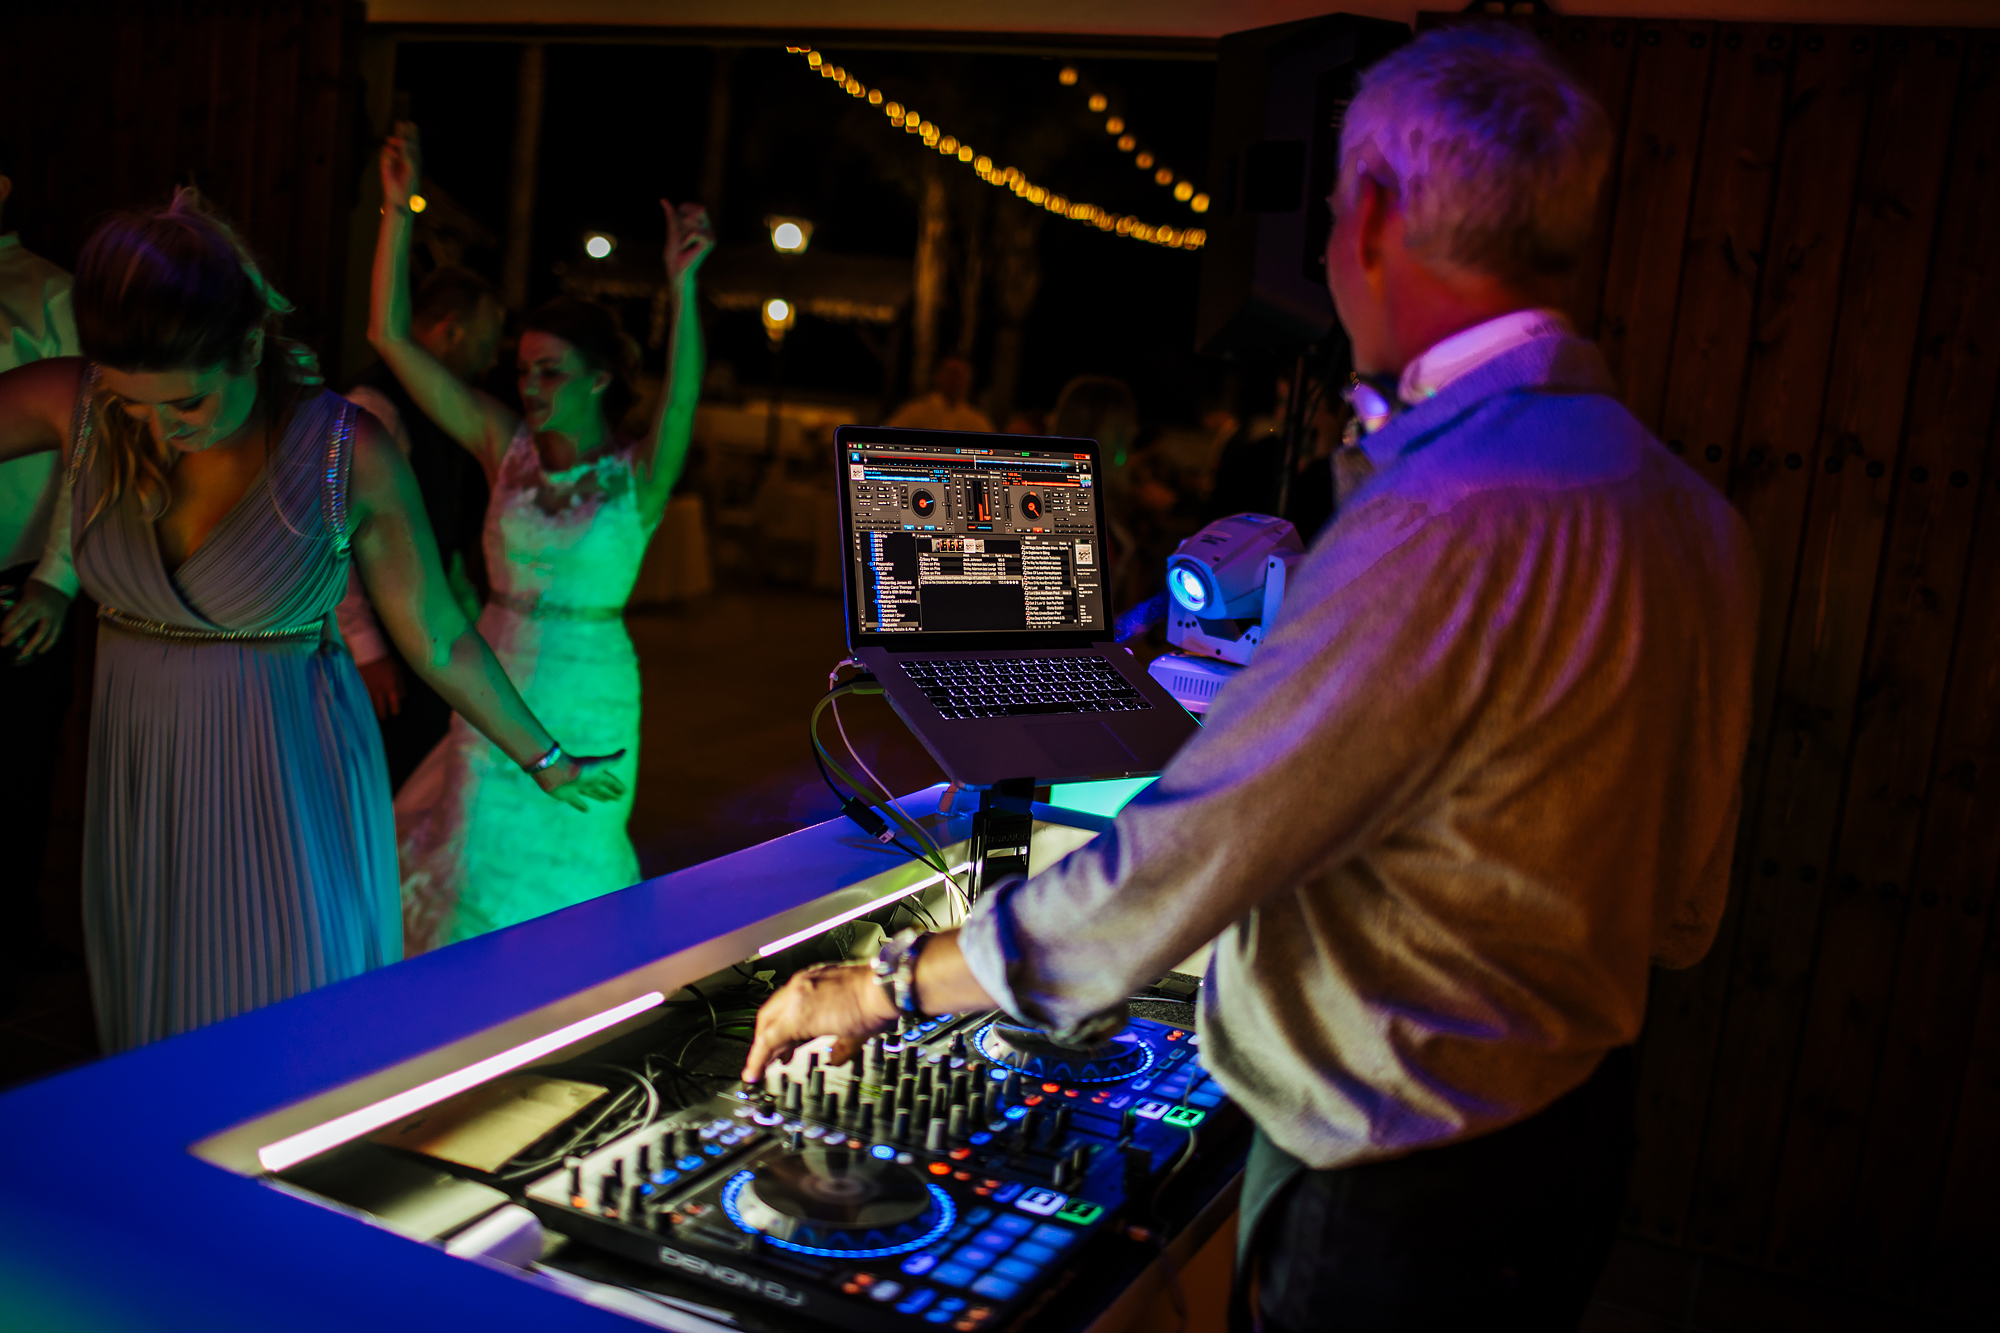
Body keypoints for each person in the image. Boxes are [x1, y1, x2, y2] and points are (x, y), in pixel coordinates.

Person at [739, 25, 1760, 1331]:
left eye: (1335, 212)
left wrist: (883, 983)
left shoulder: (1439, 519)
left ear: (1376, 215)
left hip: (1396, 1191)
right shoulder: (1691, 513)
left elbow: (1180, 862)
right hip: (1574, 1141)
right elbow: (1685, 908)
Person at [0, 189, 626, 1051]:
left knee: (283, 1024)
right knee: (160, 1035)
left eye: (185, 403)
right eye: (131, 401)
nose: (157, 427)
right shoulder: (81, 405)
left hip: (285, 774)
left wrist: (544, 757)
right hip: (146, 777)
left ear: (249, 347)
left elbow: (437, 633)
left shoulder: (343, 451)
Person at [373, 123, 712, 952]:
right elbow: (389, 337)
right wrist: (396, 213)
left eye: (549, 370)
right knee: (473, 844)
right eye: (523, 368)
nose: (527, 383)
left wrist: (686, 289)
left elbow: (679, 401)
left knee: (574, 860)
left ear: (598, 377)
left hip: (592, 684)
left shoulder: (638, 477)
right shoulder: (502, 446)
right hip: (498, 667)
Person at [337, 264, 506, 790]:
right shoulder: (374, 405)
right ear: (451, 330)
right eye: (485, 341)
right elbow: (335, 538)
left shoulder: (446, 408)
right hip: (384, 652)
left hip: (426, 636)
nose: (489, 357)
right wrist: (368, 649)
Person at [0, 164, 84, 1008]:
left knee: (17, 764)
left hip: (19, 578)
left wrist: (58, 578)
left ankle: (11, 934)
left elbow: (87, 449)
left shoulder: (50, 295)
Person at [885, 356, 994, 432]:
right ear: (937, 376)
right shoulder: (914, 413)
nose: (955, 380)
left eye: (961, 375)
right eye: (951, 373)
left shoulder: (977, 421)